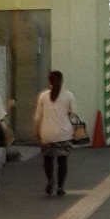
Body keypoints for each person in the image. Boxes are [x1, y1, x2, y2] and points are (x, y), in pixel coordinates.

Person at [33, 69, 77, 198]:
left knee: (48, 159)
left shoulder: (43, 96)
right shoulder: (69, 95)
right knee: (62, 161)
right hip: (64, 133)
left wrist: (37, 131)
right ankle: (60, 187)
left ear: (49, 81)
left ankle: (50, 180)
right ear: (62, 81)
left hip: (47, 132)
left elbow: (38, 116)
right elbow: (74, 114)